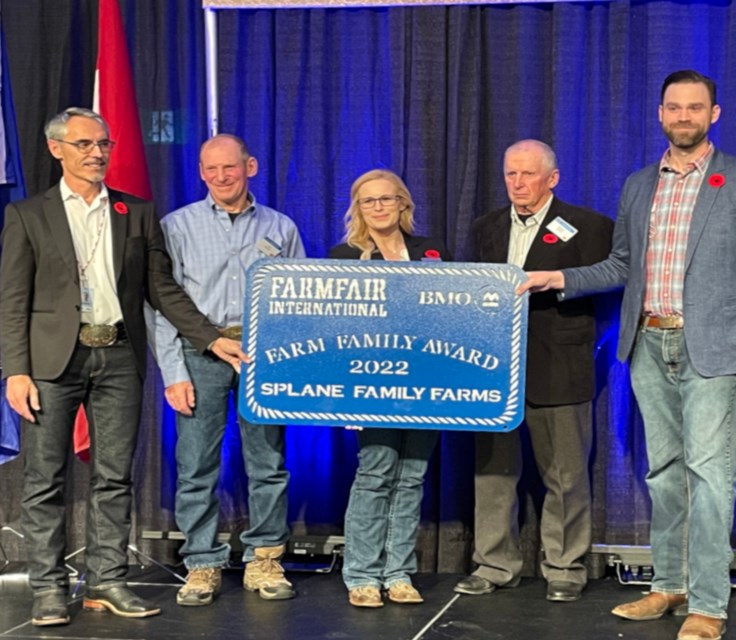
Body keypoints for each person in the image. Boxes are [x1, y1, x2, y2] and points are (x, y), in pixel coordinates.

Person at [520, 71, 736, 639]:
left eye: (695, 107)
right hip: (648, 343)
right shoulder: (640, 184)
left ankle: (709, 605)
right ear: (660, 113)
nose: (683, 116)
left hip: (712, 348)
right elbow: (622, 266)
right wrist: (557, 277)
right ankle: (669, 585)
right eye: (673, 107)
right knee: (663, 474)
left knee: (710, 478)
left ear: (714, 114)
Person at [0, 108, 246, 626]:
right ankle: (48, 587)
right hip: (50, 362)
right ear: (57, 149)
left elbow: (162, 290)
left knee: (114, 477)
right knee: (45, 477)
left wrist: (207, 338)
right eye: (85, 144)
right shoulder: (28, 215)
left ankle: (107, 580)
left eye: (104, 144)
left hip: (118, 357)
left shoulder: (134, 212)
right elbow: (12, 298)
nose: (97, 153)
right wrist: (14, 371)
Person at [454, 140, 613, 603]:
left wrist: (594, 346)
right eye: (510, 175)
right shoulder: (485, 228)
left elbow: (611, 291)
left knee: (565, 473)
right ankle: (494, 563)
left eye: (527, 175)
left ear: (553, 178)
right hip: (494, 367)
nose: (518, 183)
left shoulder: (589, 227)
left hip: (560, 362)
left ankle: (564, 565)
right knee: (493, 472)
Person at [150, 134, 305, 606]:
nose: (221, 177)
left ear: (250, 167)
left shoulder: (281, 227)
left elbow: (300, 300)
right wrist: (173, 371)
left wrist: (291, 364)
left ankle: (265, 558)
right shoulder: (176, 227)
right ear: (201, 173)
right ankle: (201, 563)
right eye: (211, 169)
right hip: (200, 354)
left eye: (230, 168)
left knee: (268, 463)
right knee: (195, 464)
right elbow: (161, 305)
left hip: (263, 355)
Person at [329, 169, 451, 608]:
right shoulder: (344, 257)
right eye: (368, 201)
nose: (378, 207)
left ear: (403, 203)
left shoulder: (433, 253)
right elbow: (335, 330)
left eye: (386, 199)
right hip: (371, 386)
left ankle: (398, 573)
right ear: (358, 209)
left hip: (425, 385)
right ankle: (361, 573)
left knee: (412, 476)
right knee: (376, 472)